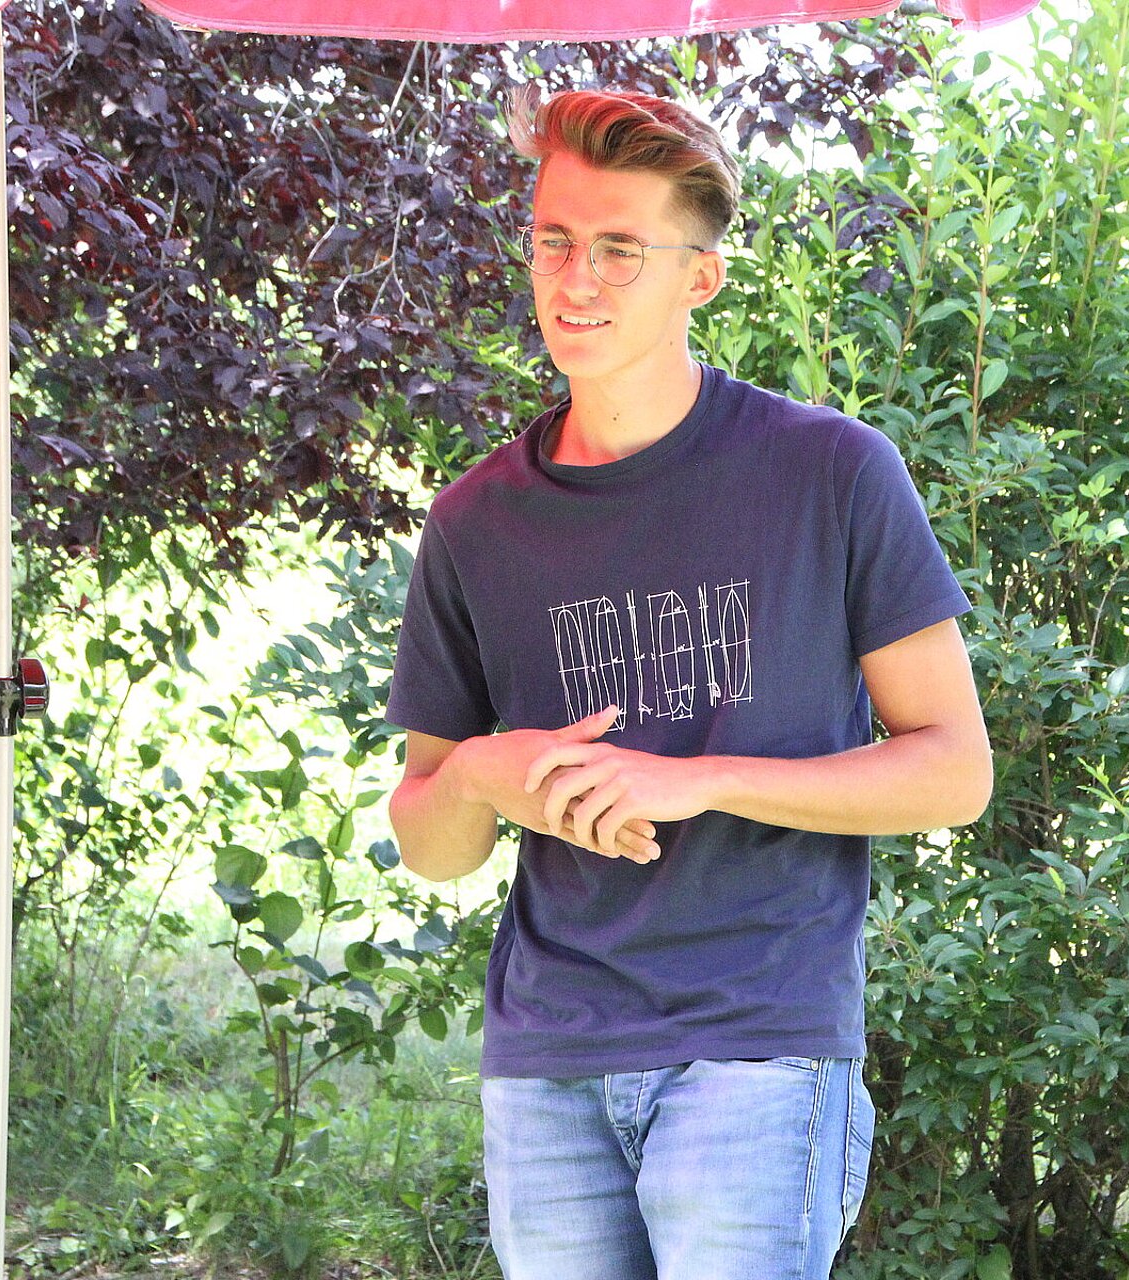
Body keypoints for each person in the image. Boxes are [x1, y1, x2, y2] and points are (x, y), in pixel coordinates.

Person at [385, 87, 992, 1280]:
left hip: (756, 1045)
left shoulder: (830, 473)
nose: (578, 279)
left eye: (621, 248)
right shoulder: (473, 524)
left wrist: (699, 778)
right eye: (555, 241)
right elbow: (430, 838)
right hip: (550, 1062)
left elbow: (953, 771)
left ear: (699, 279)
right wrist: (490, 771)